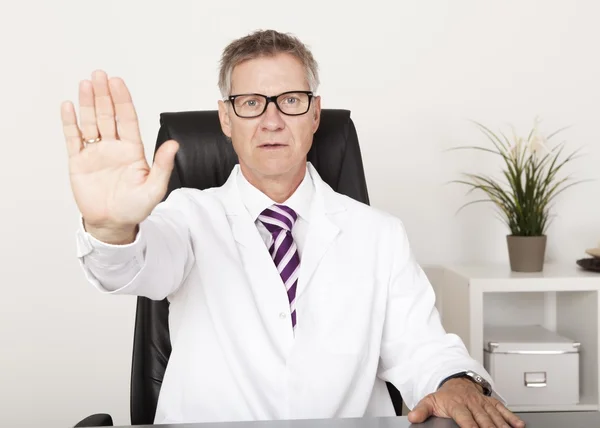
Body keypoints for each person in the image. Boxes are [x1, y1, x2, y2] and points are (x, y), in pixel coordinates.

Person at [61, 30, 524, 428]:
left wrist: (456, 382)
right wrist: (109, 227)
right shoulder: (186, 216)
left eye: (290, 100)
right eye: (250, 103)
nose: (271, 120)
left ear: (315, 112)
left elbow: (422, 348)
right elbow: (129, 266)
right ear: (226, 118)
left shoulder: (378, 234)